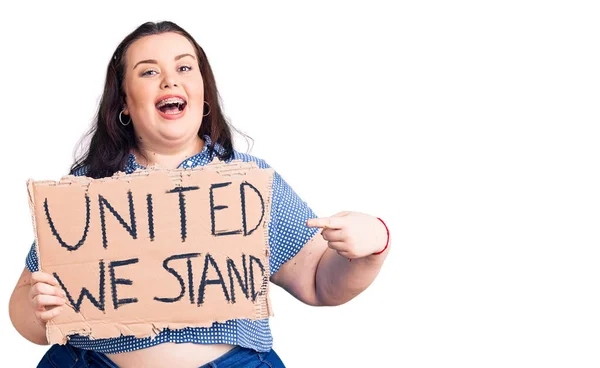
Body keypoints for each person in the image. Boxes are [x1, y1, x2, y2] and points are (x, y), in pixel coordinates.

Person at [8, 21, 390, 368]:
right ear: (123, 101)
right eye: (149, 71)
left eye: (184, 68)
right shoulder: (89, 186)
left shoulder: (247, 180)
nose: (169, 81)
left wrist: (373, 248)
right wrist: (36, 309)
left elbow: (318, 282)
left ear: (202, 90)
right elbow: (26, 308)